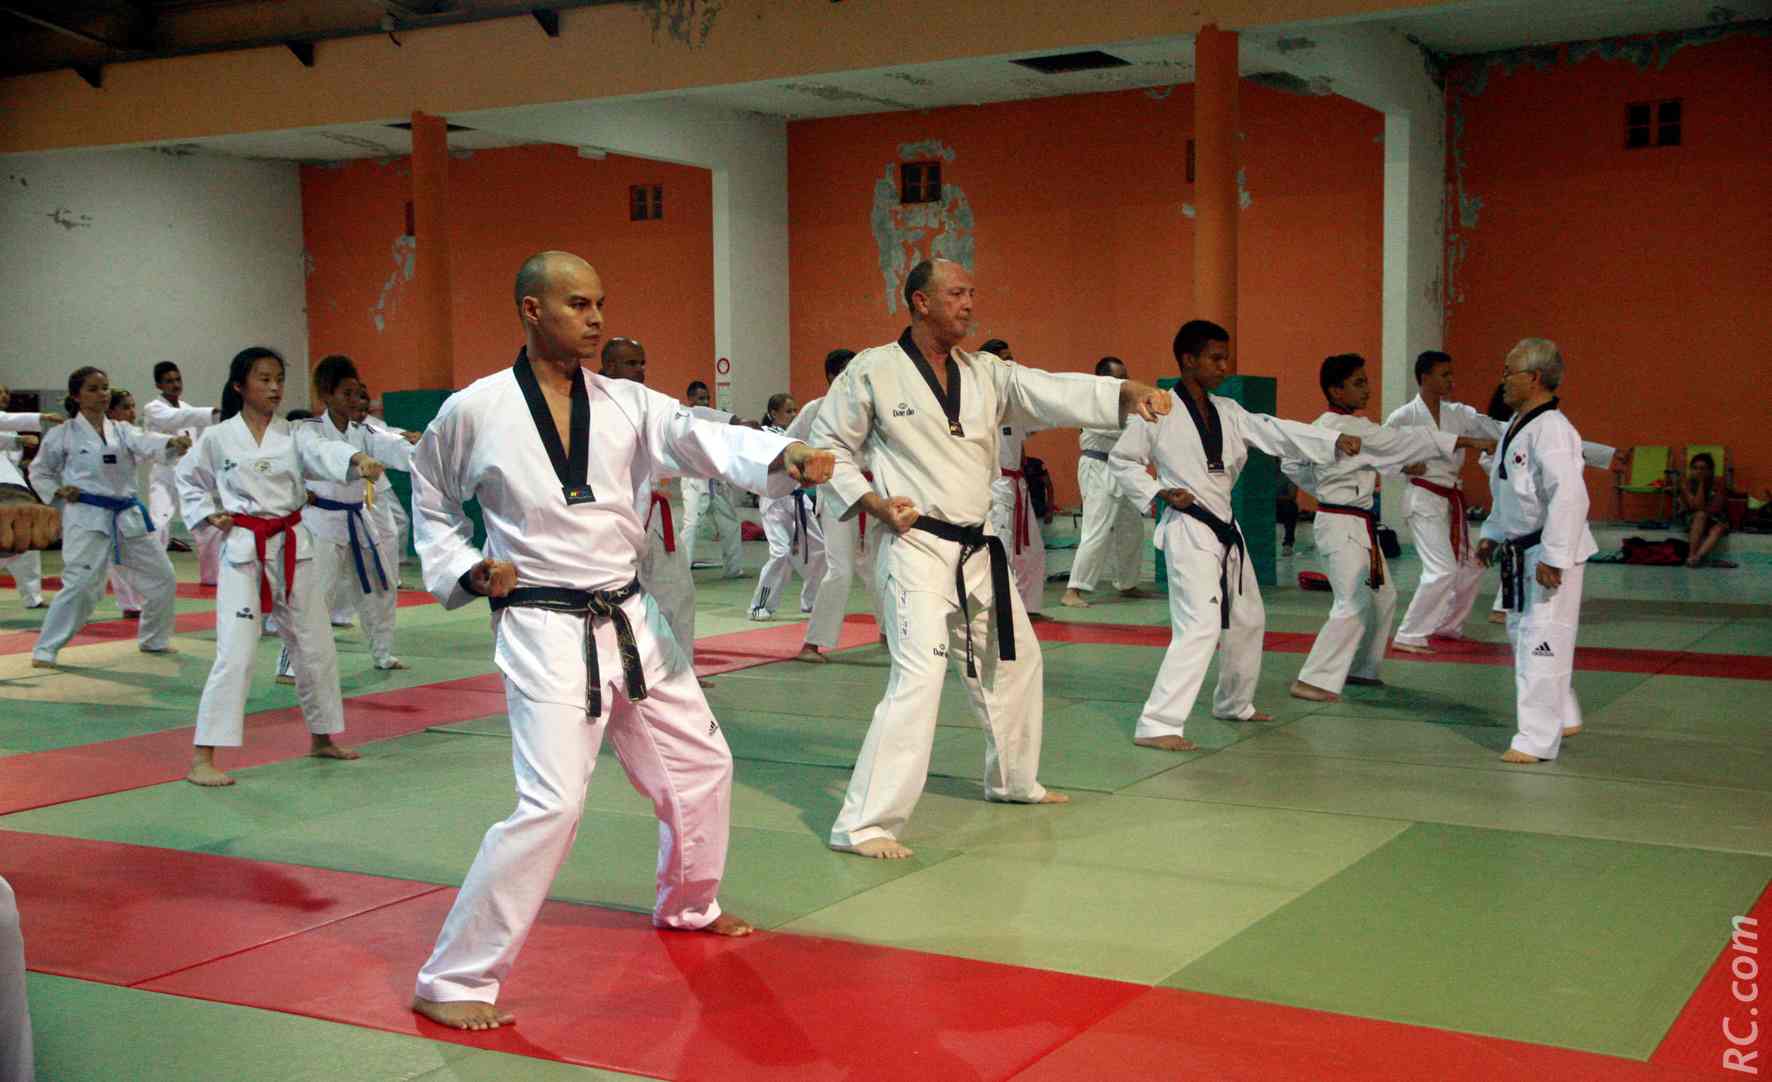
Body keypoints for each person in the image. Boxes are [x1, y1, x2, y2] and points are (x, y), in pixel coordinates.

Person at [407, 251, 832, 1031]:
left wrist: (783, 455)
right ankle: (453, 977)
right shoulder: (475, 409)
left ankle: (689, 903)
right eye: (577, 304)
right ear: (531, 309)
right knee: (552, 804)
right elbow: (429, 498)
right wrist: (466, 568)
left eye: (599, 302)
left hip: (632, 617)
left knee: (702, 765)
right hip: (542, 623)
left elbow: (702, 439)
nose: (596, 318)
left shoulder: (629, 401)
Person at [811, 258, 1171, 859]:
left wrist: (1124, 394)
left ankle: (1012, 781)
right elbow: (828, 447)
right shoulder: (872, 371)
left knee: (1018, 662)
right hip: (916, 545)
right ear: (921, 301)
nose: (970, 304)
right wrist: (872, 502)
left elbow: (1051, 390)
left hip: (977, 548)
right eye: (957, 293)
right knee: (919, 678)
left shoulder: (985, 373)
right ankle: (864, 823)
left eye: (972, 293)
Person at [1111, 320, 1355, 750]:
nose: (1224, 366)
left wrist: (1329, 440)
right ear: (1189, 360)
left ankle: (1234, 702)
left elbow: (1274, 430)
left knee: (1248, 619)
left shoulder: (1228, 410)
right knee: (1200, 626)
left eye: (1225, 358)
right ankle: (1157, 723)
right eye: (1216, 358)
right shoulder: (1160, 408)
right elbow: (1122, 460)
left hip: (1225, 528)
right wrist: (1158, 491)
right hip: (1189, 528)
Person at [175, 347, 385, 787]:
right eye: (263, 379)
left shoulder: (294, 433)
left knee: (316, 645)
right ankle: (202, 757)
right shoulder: (218, 437)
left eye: (278, 379)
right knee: (236, 651)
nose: (274, 388)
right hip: (244, 549)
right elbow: (188, 478)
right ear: (240, 386)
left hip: (294, 548)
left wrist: (355, 460)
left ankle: (322, 737)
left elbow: (324, 451)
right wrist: (207, 513)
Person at [1285, 354, 1493, 703]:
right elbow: (1400, 442)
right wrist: (1469, 442)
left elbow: (1293, 464)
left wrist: (1322, 485)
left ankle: (1361, 668)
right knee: (1352, 601)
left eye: (1366, 381)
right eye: (1358, 383)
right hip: (1340, 524)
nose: (1367, 389)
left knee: (1383, 596)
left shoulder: (1327, 426)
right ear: (1336, 390)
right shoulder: (1349, 428)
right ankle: (1313, 680)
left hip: (1358, 523)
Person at [1475, 339, 1597, 763]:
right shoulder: (1518, 424)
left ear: (1534, 378)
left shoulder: (1553, 430)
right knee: (1522, 635)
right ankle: (1564, 713)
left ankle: (1537, 740)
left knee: (1541, 642)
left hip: (1546, 550)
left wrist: (1554, 557)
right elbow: (1507, 489)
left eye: (1509, 372)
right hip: (1520, 548)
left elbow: (1570, 496)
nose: (1503, 380)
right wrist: (1491, 533)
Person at [270, 356, 418, 685]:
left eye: (356, 393)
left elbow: (389, 443)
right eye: (346, 393)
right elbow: (321, 451)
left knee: (381, 586)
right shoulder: (307, 429)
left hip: (359, 518)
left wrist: (421, 451)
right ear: (326, 394)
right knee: (315, 595)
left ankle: (382, 652)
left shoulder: (363, 431)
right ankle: (289, 663)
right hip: (321, 523)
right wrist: (356, 459)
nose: (354, 400)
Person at [30, 367, 191, 668]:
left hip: (127, 514)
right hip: (87, 515)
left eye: (104, 388)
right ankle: (46, 649)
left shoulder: (122, 430)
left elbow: (146, 441)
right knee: (80, 585)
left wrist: (171, 443)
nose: (102, 394)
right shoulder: (62, 434)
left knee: (163, 577)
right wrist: (57, 490)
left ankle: (154, 639)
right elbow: (40, 471)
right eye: (92, 389)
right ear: (76, 396)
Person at [1383, 351, 1513, 654]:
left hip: (1451, 499)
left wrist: (1532, 430)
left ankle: (1447, 624)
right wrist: (1403, 466)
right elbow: (1381, 454)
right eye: (1445, 374)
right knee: (1442, 569)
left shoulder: (1459, 414)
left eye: (1452, 374)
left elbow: (1498, 429)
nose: (1451, 380)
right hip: (1423, 499)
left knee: (1474, 563)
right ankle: (1409, 633)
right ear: (1425, 377)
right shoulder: (1403, 417)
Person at [599, 336, 702, 678]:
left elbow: (690, 421)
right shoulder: (588, 404)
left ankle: (681, 670)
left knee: (678, 591)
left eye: (642, 362)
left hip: (656, 516)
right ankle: (615, 671)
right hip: (612, 520)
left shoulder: (649, 403)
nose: (640, 370)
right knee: (613, 599)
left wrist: (732, 423)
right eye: (631, 363)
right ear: (609, 365)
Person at [794, 348, 881, 663]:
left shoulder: (873, 407)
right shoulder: (815, 409)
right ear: (832, 376)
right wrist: (802, 475)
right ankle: (812, 643)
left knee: (879, 567)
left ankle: (890, 631)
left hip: (874, 492)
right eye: (846, 370)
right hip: (835, 493)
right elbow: (789, 444)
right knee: (841, 568)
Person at [1062, 356, 1149, 608]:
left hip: (1123, 469)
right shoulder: (1091, 402)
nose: (1124, 381)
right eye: (1118, 377)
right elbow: (1125, 427)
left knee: (1132, 528)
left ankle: (1127, 583)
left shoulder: (1128, 405)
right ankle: (1073, 590)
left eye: (1125, 376)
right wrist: (1148, 417)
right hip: (1098, 468)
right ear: (1102, 379)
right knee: (1096, 529)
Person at [980, 339, 1050, 620]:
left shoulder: (1015, 402)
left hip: (1018, 485)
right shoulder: (978, 403)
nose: (1011, 363)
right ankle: (998, 610)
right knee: (1000, 548)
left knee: (1032, 550)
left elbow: (1028, 436)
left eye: (1011, 358)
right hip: (995, 484)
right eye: (1004, 359)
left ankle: (1029, 607)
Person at [749, 393, 827, 620]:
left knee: (820, 550)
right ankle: (759, 606)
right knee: (780, 553)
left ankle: (811, 601)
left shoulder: (801, 437)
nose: (793, 415)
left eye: (795, 411)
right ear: (773, 414)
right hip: (774, 501)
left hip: (799, 499)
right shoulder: (764, 434)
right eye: (788, 411)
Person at [142, 361, 222, 581]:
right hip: (165, 473)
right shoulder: (154, 408)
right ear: (159, 385)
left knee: (208, 522)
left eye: (178, 379)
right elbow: (176, 418)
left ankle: (212, 576)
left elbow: (201, 436)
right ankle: (153, 573)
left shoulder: (188, 409)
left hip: (189, 475)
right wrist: (211, 412)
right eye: (169, 381)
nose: (175, 384)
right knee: (159, 524)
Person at [679, 380, 747, 577]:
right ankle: (681, 571)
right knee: (691, 524)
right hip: (694, 478)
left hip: (716, 478)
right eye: (701, 398)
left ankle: (734, 569)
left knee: (730, 523)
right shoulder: (684, 418)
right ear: (690, 399)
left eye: (707, 398)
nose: (706, 401)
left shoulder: (713, 420)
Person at [0, 384, 47, 609]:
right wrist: (42, 417)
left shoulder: (10, 427)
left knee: (26, 540)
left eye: (6, 393)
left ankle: (33, 597)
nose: (4, 396)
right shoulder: (8, 424)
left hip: (14, 488)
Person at [1681, 452, 1729, 567]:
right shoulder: (1686, 484)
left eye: (1703, 469)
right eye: (1695, 468)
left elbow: (1716, 508)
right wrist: (1701, 484)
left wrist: (1702, 482)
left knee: (1718, 528)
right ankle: (1691, 555)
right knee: (1700, 515)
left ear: (1710, 471)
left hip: (1715, 516)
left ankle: (1697, 558)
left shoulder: (1719, 483)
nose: (1699, 471)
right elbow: (1695, 507)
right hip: (1693, 518)